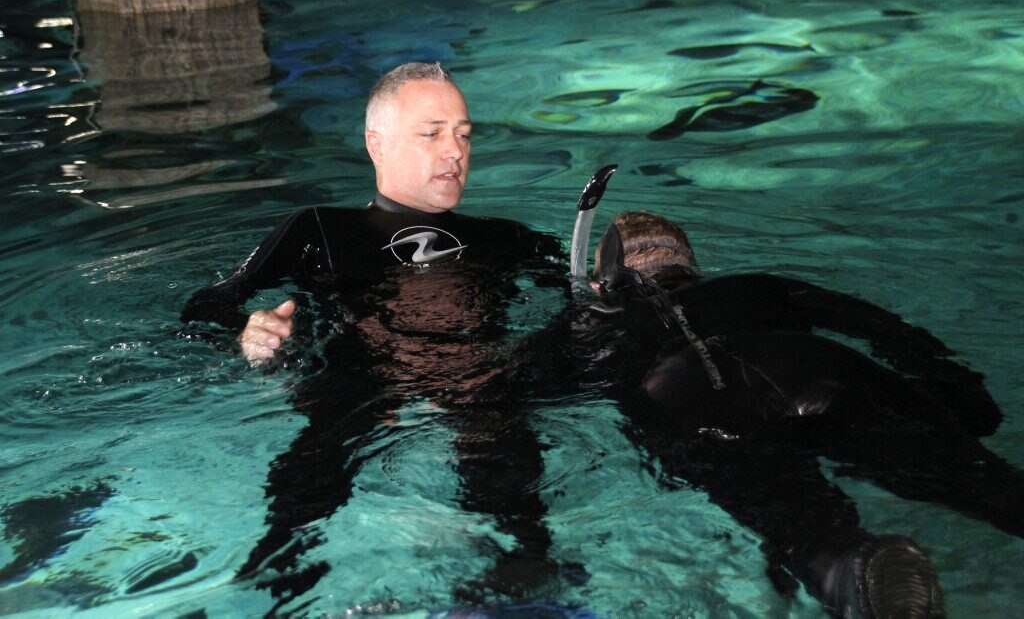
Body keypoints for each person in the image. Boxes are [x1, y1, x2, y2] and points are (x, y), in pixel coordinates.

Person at [180, 62, 569, 612]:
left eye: (463, 134)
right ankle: (278, 585)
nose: (455, 151)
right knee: (313, 472)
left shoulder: (507, 239)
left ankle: (528, 578)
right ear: (376, 144)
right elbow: (204, 304)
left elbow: (583, 298)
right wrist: (246, 329)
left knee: (513, 481)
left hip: (475, 385)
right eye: (431, 133)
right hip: (362, 386)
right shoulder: (321, 230)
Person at [519, 210, 1021, 618]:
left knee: (801, 520)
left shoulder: (586, 326)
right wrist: (959, 393)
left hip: (689, 391)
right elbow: (887, 329)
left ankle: (849, 567)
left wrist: (575, 334)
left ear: (603, 280)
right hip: (813, 363)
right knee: (981, 482)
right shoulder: (760, 285)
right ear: (690, 262)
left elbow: (504, 393)